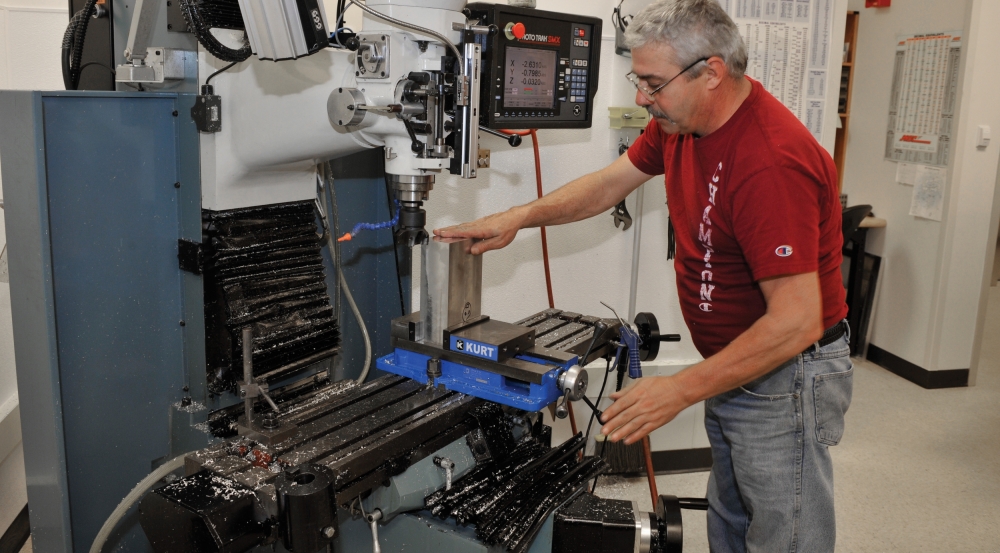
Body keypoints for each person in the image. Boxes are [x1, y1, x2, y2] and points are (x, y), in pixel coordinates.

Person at [435, 0, 852, 550]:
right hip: (735, 362)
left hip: (785, 372)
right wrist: (518, 216)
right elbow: (608, 185)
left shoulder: (770, 162)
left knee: (783, 534)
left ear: (711, 73)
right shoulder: (683, 126)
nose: (640, 98)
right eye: (639, 79)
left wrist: (678, 389)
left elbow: (797, 322)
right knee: (732, 519)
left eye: (652, 83)